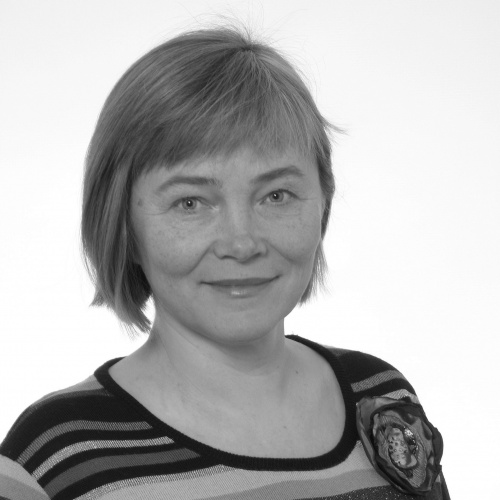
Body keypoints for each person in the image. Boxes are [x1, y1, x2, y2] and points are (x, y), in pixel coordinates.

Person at [0, 27, 449, 499]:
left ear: (323, 204)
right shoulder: (54, 461)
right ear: (123, 227)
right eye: (191, 203)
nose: (242, 242)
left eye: (276, 195)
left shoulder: (381, 394)